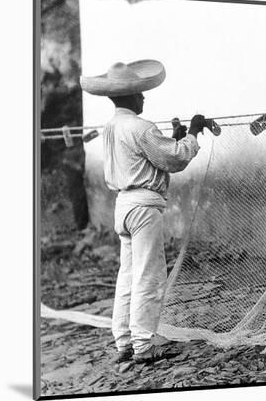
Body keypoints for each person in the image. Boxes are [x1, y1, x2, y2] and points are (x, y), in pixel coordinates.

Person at [80, 60, 207, 363]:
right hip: (144, 206)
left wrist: (173, 136)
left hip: (122, 204)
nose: (144, 98)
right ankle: (143, 345)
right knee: (148, 275)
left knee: (128, 276)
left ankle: (124, 341)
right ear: (132, 96)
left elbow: (150, 156)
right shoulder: (142, 127)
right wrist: (192, 132)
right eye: (140, 93)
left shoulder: (111, 127)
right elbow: (175, 159)